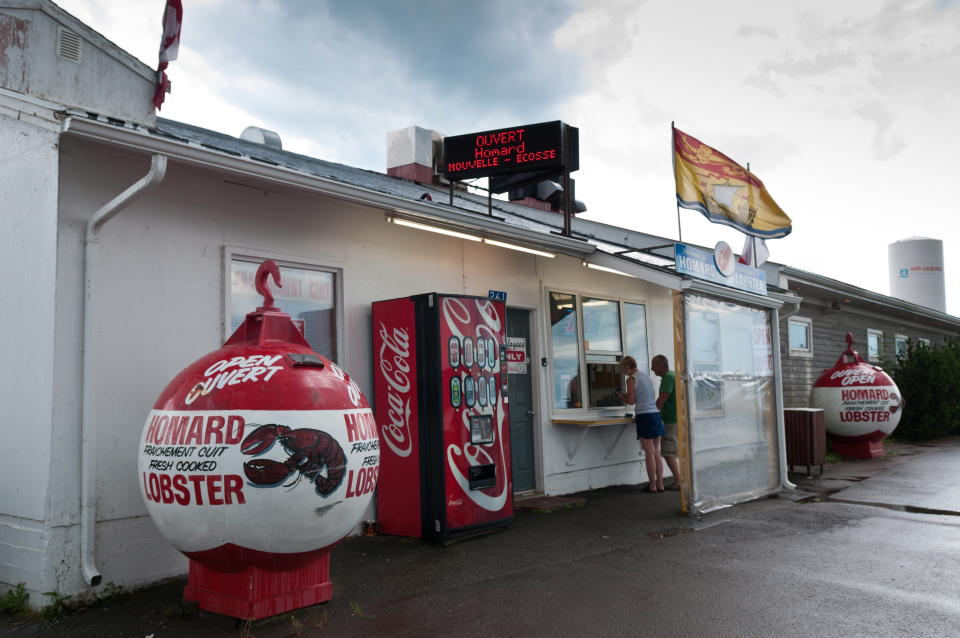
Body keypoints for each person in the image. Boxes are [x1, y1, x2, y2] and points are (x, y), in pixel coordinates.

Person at [616, 355, 665, 492]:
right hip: (655, 414)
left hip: (644, 416)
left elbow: (632, 401)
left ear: (627, 367)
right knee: (656, 452)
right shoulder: (646, 376)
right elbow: (643, 397)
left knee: (649, 453)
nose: (623, 372)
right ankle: (660, 484)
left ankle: (652, 486)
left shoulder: (631, 380)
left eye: (622, 369)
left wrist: (621, 396)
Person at [652, 354, 681, 490]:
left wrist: (651, 410)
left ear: (661, 365)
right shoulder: (672, 375)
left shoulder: (668, 378)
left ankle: (678, 481)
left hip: (671, 420)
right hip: (675, 419)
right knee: (672, 451)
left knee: (668, 452)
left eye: (654, 365)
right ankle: (680, 479)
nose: (652, 369)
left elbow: (662, 398)